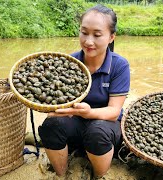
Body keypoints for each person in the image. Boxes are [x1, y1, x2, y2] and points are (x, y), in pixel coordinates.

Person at [38, 4, 130, 179]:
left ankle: (98, 175)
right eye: (84, 32)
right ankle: (61, 174)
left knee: (96, 132)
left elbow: (113, 111)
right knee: (50, 126)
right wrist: (52, 110)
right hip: (76, 122)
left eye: (97, 35)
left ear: (111, 37)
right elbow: (58, 97)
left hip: (106, 126)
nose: (88, 41)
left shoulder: (119, 65)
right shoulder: (70, 61)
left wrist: (89, 113)